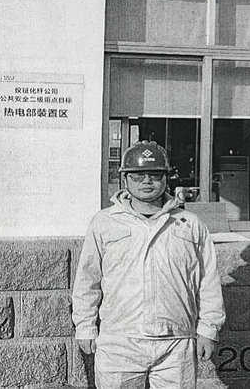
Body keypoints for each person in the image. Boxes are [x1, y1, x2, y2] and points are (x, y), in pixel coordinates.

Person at [72, 141, 225, 388]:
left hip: (175, 342)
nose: (146, 181)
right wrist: (85, 327)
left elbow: (207, 280)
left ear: (166, 178)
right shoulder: (105, 223)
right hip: (119, 341)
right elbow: (88, 280)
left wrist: (209, 328)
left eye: (155, 175)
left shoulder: (188, 223)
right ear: (124, 179)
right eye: (137, 176)